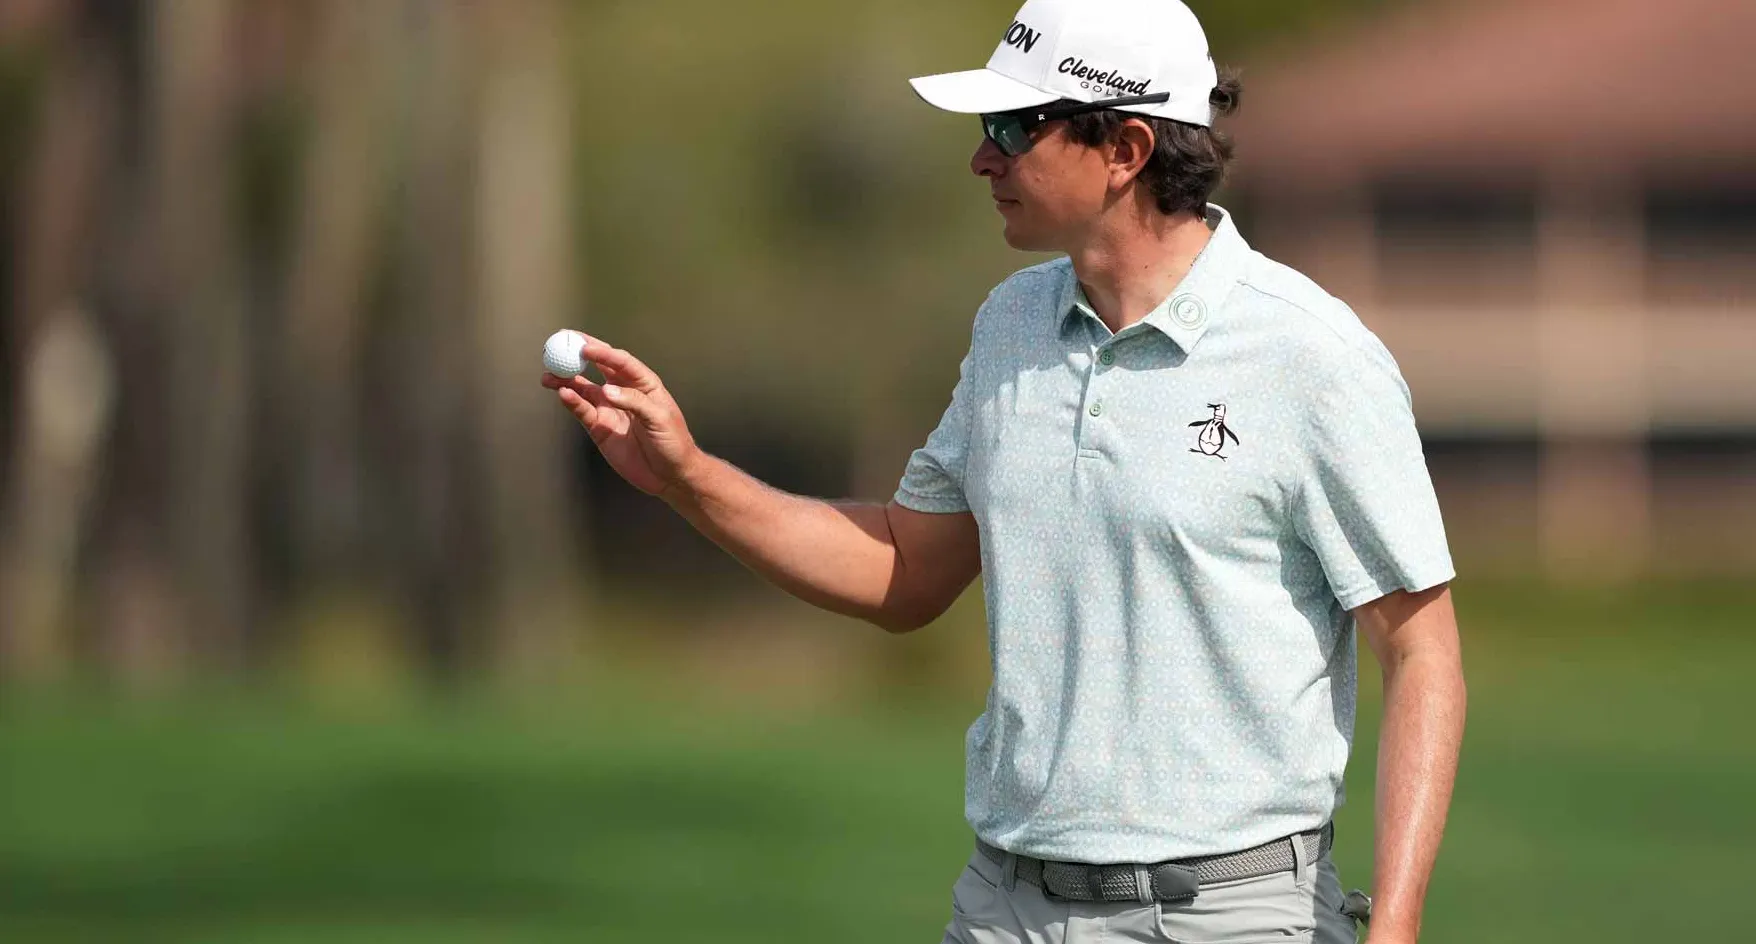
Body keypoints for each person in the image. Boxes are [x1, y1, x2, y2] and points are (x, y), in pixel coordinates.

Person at [542, 0, 1465, 940]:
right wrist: (688, 477)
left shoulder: (1308, 353)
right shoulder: (1011, 326)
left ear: (1127, 148)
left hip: (1228, 915)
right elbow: (905, 568)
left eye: (1013, 128)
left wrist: (1394, 928)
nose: (983, 158)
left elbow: (1421, 650)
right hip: (1007, 910)